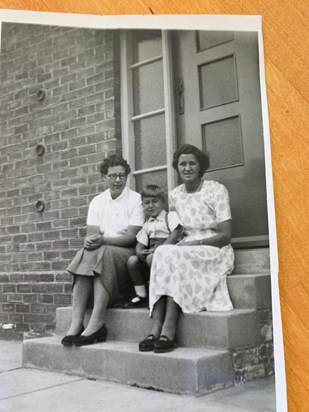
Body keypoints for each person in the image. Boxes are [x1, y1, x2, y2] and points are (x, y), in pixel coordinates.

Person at [139, 144, 234, 353]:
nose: (187, 168)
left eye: (192, 163)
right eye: (183, 164)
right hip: (184, 245)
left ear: (201, 167)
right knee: (164, 253)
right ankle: (154, 328)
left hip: (214, 247)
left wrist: (193, 244)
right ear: (177, 167)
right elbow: (175, 229)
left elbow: (226, 236)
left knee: (175, 255)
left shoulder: (216, 190)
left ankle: (169, 328)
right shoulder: (174, 195)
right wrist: (160, 249)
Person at [61, 155, 145, 347]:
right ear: (104, 178)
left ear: (126, 177)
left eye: (122, 176)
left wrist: (103, 239)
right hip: (103, 253)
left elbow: (132, 237)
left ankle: (97, 322)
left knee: (103, 251)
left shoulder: (135, 200)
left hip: (127, 253)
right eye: (113, 176)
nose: (117, 180)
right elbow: (91, 235)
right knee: (86, 252)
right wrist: (91, 241)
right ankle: (76, 323)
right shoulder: (97, 202)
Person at [123, 184, 183, 309]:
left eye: (155, 201)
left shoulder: (170, 217)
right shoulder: (147, 224)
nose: (151, 206)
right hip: (152, 254)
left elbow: (176, 233)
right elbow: (140, 243)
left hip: (169, 255)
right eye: (147, 203)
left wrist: (161, 250)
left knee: (152, 258)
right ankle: (142, 295)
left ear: (163, 202)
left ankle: (158, 295)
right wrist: (139, 252)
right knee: (132, 261)